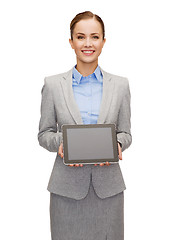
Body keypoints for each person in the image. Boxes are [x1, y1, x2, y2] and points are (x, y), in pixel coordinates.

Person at [38, 11, 132, 240]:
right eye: (80, 37)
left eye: (94, 37)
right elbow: (44, 133)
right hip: (66, 191)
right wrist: (62, 144)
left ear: (103, 42)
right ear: (71, 42)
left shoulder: (120, 85)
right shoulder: (53, 85)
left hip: (108, 191)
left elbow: (126, 133)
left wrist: (117, 144)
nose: (87, 44)